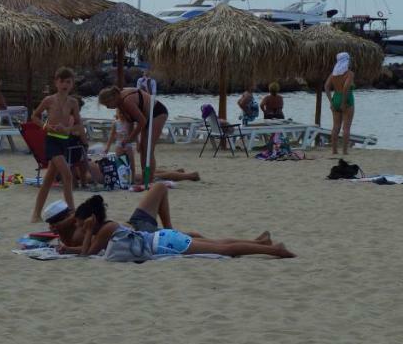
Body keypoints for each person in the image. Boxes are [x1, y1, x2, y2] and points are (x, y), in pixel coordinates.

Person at [47, 185, 292, 259]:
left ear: (90, 220)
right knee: (218, 244)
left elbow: (87, 253)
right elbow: (87, 249)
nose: (78, 226)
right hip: (163, 240)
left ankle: (273, 250)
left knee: (224, 250)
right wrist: (70, 246)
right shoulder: (107, 228)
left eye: (80, 223)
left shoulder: (107, 228)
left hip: (165, 243)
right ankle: (263, 243)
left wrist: (86, 231)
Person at [29, 67, 87, 222]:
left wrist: (67, 128)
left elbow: (79, 125)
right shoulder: (49, 100)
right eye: (62, 81)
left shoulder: (73, 102)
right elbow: (34, 116)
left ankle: (36, 213)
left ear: (72, 84)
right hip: (51, 140)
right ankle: (72, 213)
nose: (65, 85)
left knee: (48, 181)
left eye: (68, 81)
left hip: (64, 141)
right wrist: (45, 126)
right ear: (56, 82)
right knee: (67, 175)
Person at [98, 84, 168, 184]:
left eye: (107, 104)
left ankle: (149, 179)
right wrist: (135, 141)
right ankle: (146, 177)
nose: (108, 108)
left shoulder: (127, 101)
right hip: (146, 116)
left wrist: (130, 138)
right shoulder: (120, 103)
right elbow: (131, 123)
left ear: (112, 98)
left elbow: (142, 122)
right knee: (143, 149)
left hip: (157, 112)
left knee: (148, 148)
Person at [323, 52, 355, 156]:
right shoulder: (349, 74)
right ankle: (345, 151)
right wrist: (343, 102)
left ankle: (334, 150)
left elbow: (326, 86)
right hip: (346, 99)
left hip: (335, 97)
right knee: (346, 127)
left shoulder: (333, 74)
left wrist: (331, 102)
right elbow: (346, 87)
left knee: (336, 126)